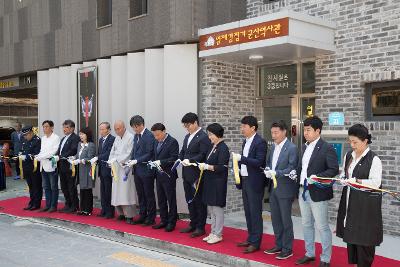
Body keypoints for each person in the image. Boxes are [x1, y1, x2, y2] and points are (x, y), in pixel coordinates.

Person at [336, 124, 383, 267]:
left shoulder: (374, 159)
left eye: (355, 142)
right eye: (350, 141)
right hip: (351, 203)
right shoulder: (349, 155)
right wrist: (343, 179)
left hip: (366, 208)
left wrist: (357, 181)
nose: (352, 145)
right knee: (353, 240)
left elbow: (376, 183)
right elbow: (344, 173)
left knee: (364, 242)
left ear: (365, 141)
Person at [296, 116, 339, 267]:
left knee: (322, 226)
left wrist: (318, 177)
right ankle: (309, 253)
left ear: (317, 130)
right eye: (304, 130)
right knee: (306, 224)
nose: (305, 133)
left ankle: (325, 258)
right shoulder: (304, 147)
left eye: (308, 130)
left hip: (318, 192)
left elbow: (334, 169)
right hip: (303, 191)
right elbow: (302, 167)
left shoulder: (327, 147)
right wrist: (296, 173)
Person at [232, 115, 267, 254]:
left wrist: (242, 159)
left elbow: (259, 162)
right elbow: (245, 161)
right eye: (241, 126)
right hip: (245, 180)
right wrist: (238, 165)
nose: (242, 129)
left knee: (255, 212)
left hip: (255, 181)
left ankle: (256, 242)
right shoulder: (245, 141)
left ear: (253, 127)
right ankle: (250, 237)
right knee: (247, 211)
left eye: (244, 127)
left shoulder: (260, 142)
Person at [264, 120, 299, 260]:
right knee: (275, 219)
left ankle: (287, 248)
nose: (273, 135)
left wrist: (276, 173)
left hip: (285, 188)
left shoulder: (291, 148)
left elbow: (292, 167)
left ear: (284, 132)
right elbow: (268, 163)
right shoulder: (273, 147)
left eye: (276, 132)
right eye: (272, 132)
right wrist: (267, 170)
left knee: (285, 220)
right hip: (273, 188)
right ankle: (278, 244)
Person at [179, 112, 211, 238]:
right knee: (189, 200)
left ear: (195, 123)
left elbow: (203, 154)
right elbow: (183, 151)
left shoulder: (203, 137)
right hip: (186, 173)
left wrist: (191, 161)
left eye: (188, 125)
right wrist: (180, 159)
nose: (187, 127)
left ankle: (200, 227)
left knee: (199, 201)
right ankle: (192, 223)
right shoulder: (187, 137)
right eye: (185, 126)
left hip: (197, 174)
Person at [200, 123, 230, 244]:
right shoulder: (213, 146)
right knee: (211, 209)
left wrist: (208, 166)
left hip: (218, 182)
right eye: (209, 134)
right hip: (209, 181)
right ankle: (212, 232)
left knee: (217, 209)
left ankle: (218, 234)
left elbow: (222, 167)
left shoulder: (223, 148)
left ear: (217, 134)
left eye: (211, 134)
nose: (209, 137)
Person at [127, 115, 157, 226]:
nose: (135, 129)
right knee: (140, 194)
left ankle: (151, 217)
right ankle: (143, 214)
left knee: (148, 194)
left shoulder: (149, 136)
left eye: (136, 127)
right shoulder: (136, 136)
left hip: (146, 170)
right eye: (133, 127)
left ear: (142, 125)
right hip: (137, 170)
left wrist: (137, 160)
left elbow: (149, 153)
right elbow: (134, 151)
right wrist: (131, 161)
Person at [150, 123, 179, 232]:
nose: (156, 137)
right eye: (154, 135)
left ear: (164, 131)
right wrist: (153, 162)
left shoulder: (172, 142)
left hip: (168, 175)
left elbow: (174, 158)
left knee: (170, 199)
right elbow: (154, 155)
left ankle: (172, 222)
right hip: (158, 174)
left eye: (158, 135)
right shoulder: (155, 141)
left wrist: (161, 162)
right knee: (161, 199)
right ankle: (163, 220)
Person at [108, 120, 137, 224]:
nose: (117, 131)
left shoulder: (130, 137)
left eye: (119, 128)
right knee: (116, 192)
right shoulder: (116, 138)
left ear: (124, 127)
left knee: (126, 192)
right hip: (116, 168)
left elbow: (129, 153)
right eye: (115, 129)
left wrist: (117, 160)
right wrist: (111, 160)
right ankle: (120, 213)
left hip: (125, 169)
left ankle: (129, 215)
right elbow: (112, 151)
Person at [91, 122, 116, 219]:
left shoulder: (112, 139)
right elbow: (99, 153)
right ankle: (104, 209)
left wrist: (97, 158)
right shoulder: (101, 140)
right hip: (102, 169)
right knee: (103, 191)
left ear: (108, 130)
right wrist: (96, 161)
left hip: (108, 169)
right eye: (100, 129)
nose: (101, 131)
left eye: (103, 129)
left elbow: (108, 153)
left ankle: (110, 212)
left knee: (108, 191)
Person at [35, 120, 61, 213]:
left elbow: (53, 152)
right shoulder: (43, 138)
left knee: (53, 186)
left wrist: (41, 156)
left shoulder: (56, 138)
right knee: (46, 186)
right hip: (43, 164)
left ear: (52, 127)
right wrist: (38, 156)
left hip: (51, 164)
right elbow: (42, 151)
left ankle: (53, 206)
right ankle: (47, 205)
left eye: (46, 126)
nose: (44, 128)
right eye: (43, 127)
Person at [56, 120, 80, 213]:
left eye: (67, 127)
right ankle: (68, 204)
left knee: (71, 187)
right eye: (64, 127)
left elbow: (73, 150)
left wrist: (62, 156)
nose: (64, 129)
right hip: (61, 166)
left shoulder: (75, 138)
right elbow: (59, 150)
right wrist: (57, 155)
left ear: (72, 128)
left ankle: (74, 206)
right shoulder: (63, 138)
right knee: (63, 187)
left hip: (70, 167)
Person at [71, 127, 96, 216]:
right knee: (82, 190)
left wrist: (80, 160)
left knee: (87, 190)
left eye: (82, 134)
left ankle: (88, 210)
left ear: (87, 135)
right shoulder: (79, 144)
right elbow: (78, 155)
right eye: (80, 134)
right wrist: (73, 158)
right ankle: (82, 209)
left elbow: (90, 158)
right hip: (81, 170)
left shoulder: (91, 145)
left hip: (87, 170)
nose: (80, 136)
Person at [19, 125, 42, 211]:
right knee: (30, 186)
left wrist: (27, 157)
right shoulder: (24, 140)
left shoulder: (37, 140)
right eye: (24, 135)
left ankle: (36, 204)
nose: (25, 137)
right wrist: (20, 154)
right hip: (26, 167)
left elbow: (37, 153)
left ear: (31, 133)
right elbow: (22, 149)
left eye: (27, 135)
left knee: (36, 186)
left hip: (34, 166)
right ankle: (31, 202)